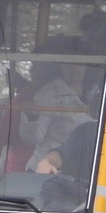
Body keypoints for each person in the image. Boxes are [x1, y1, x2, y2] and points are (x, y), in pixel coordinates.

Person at [18, 39, 92, 172]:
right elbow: (32, 138)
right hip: (46, 169)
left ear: (87, 65)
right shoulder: (49, 94)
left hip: (83, 171)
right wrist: (32, 118)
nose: (74, 68)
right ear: (61, 66)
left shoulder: (98, 93)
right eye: (68, 64)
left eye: (79, 63)